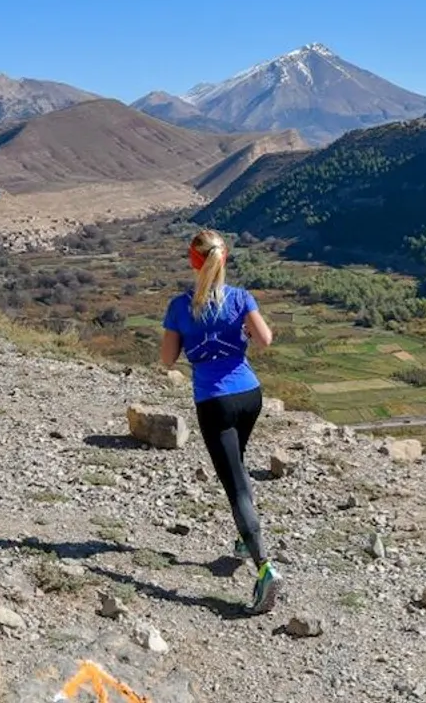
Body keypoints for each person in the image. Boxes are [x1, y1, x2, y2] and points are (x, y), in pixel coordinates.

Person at [159, 228, 283, 614]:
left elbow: (167, 361)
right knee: (238, 466)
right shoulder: (241, 298)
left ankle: (265, 568)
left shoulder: (180, 307)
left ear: (194, 261)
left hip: (213, 402)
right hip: (250, 395)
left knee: (235, 486)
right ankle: (244, 542)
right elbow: (265, 340)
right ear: (223, 259)